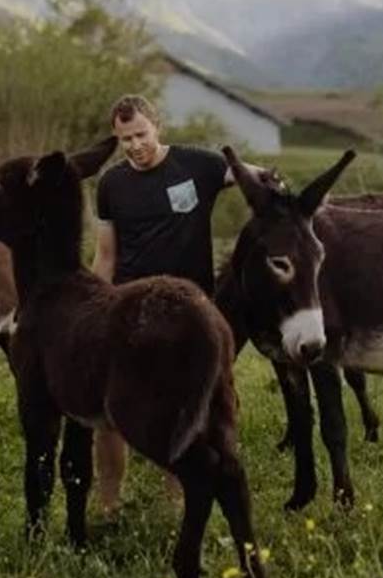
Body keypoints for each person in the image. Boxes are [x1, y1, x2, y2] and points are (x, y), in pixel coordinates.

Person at [90, 94, 262, 512]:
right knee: (109, 410)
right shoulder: (111, 184)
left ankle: (177, 499)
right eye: (125, 139)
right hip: (130, 308)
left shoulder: (196, 165)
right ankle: (108, 499)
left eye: (141, 135)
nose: (134, 145)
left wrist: (275, 184)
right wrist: (95, 304)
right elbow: (106, 255)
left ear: (157, 126)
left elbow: (250, 175)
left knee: (184, 409)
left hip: (190, 313)